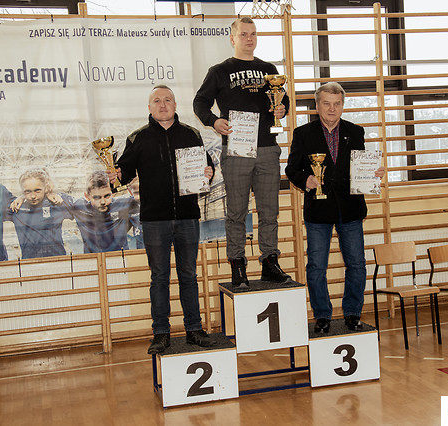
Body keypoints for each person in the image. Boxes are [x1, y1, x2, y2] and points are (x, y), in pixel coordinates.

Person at [110, 84, 216, 353]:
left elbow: (206, 167)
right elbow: (123, 173)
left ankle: (194, 329)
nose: (163, 104)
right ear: (149, 107)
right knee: (159, 277)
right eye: (157, 100)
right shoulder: (137, 138)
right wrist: (116, 175)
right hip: (154, 221)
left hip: (187, 217)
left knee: (188, 275)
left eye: (167, 99)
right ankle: (160, 333)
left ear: (175, 105)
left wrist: (208, 171)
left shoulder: (191, 134)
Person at [193, 16, 290, 288]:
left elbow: (283, 100)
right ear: (232, 38)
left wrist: (282, 109)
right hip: (236, 149)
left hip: (267, 147)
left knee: (269, 211)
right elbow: (200, 102)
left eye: (253, 34)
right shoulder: (219, 71)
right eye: (244, 34)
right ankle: (237, 264)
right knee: (236, 212)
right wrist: (214, 121)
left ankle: (270, 260)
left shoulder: (269, 69)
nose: (249, 39)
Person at [285, 82, 385, 333]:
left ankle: (352, 313)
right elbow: (291, 169)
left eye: (337, 103)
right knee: (316, 267)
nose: (332, 108)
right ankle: (322, 315)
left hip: (350, 209)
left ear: (342, 105)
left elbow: (359, 168)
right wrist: (305, 180)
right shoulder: (303, 133)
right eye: (326, 103)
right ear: (317, 105)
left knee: (357, 265)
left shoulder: (356, 131)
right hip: (318, 211)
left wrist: (373, 174)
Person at [63, 171, 138, 254]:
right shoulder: (79, 207)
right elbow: (61, 198)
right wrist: (54, 195)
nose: (103, 202)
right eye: (97, 197)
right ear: (87, 196)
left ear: (111, 193)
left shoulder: (123, 204)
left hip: (120, 257)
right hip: (92, 259)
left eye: (107, 196)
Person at [10, 168, 72, 259]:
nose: (33, 196)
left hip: (57, 260)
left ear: (45, 188)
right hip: (30, 262)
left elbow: (79, 208)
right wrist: (21, 197)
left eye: (37, 190)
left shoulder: (56, 203)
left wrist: (53, 194)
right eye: (28, 191)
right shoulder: (17, 208)